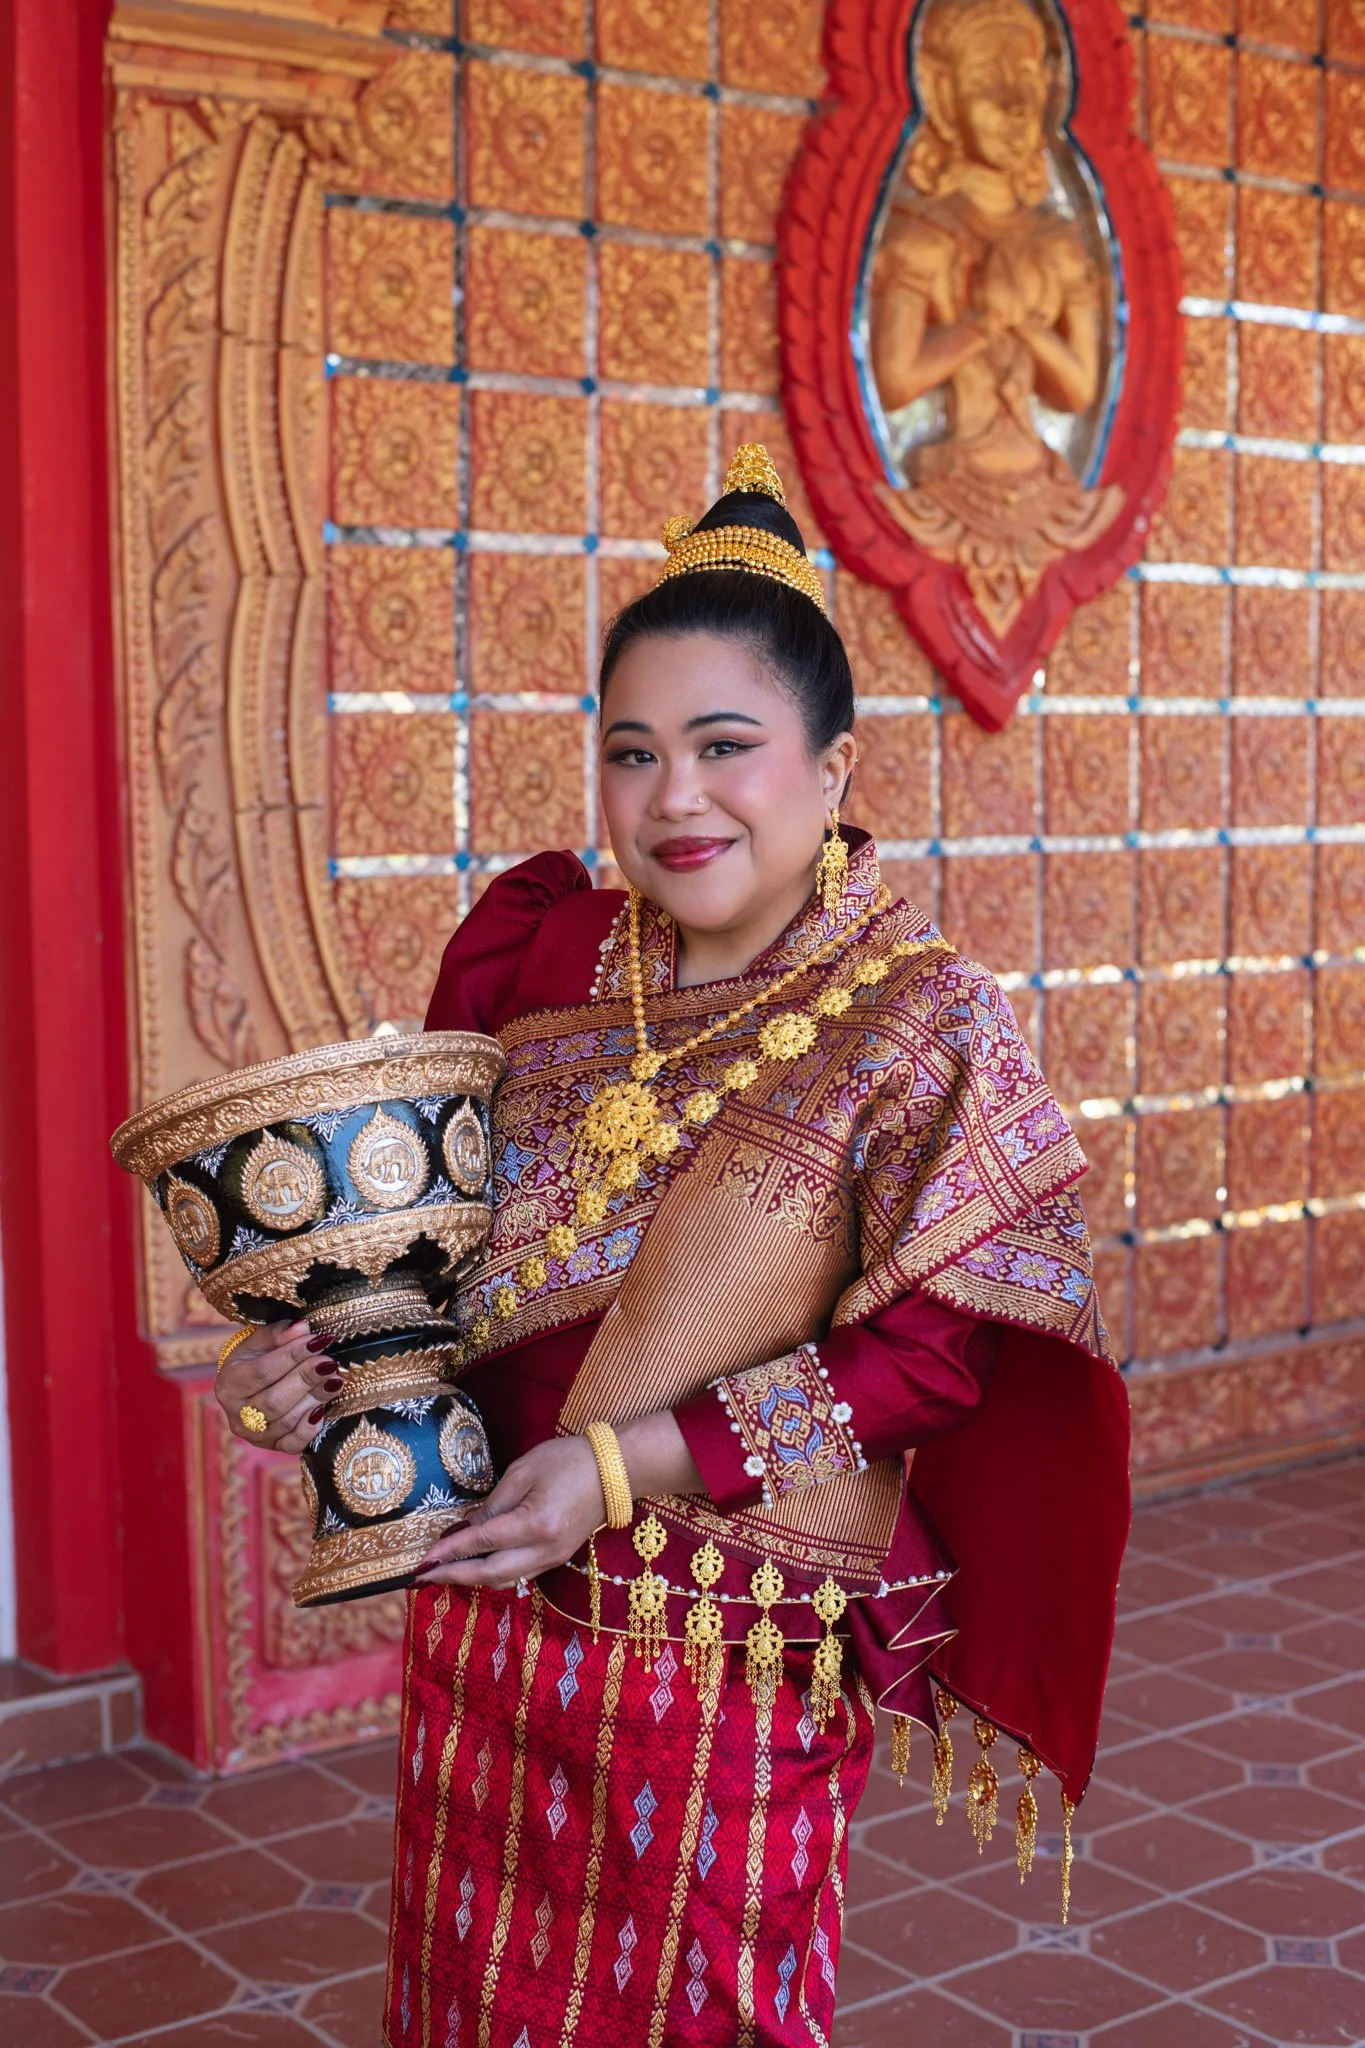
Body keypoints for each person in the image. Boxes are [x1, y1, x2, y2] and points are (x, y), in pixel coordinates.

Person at [217, 444, 1130, 2047]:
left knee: (695, 2008)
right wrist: (307, 1370)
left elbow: (923, 1361)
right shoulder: (540, 952)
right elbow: (426, 1260)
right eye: (632, 753)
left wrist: (623, 1464)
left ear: (834, 766)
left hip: (719, 1650)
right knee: (469, 1998)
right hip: (493, 1600)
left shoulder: (925, 1025)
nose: (674, 797)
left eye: (727, 747)